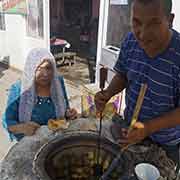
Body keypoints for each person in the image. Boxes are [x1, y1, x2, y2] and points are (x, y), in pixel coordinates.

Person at [95, 0, 180, 165]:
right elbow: (123, 75)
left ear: (169, 20)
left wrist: (148, 127)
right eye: (136, 22)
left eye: (153, 23)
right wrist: (108, 93)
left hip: (165, 144)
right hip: (129, 129)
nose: (142, 34)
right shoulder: (130, 41)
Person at [2, 48, 77, 141]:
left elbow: (64, 109)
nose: (45, 74)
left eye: (48, 68)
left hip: (56, 140)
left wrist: (68, 114)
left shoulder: (58, 84)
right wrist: (21, 127)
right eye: (38, 68)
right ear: (31, 69)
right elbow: (7, 121)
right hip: (30, 143)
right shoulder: (19, 89)